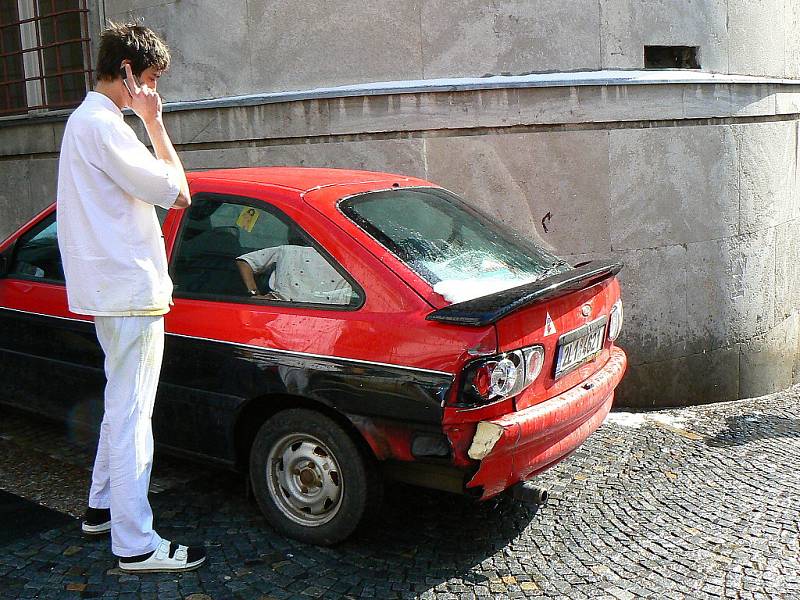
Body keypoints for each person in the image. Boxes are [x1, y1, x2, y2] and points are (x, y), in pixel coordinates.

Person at [56, 22, 205, 573]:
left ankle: (101, 510)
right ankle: (135, 543)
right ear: (126, 72)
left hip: (110, 290)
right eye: (149, 79)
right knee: (132, 415)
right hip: (130, 290)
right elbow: (178, 192)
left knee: (120, 403)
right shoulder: (108, 126)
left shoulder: (83, 124)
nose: (152, 90)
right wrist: (155, 123)